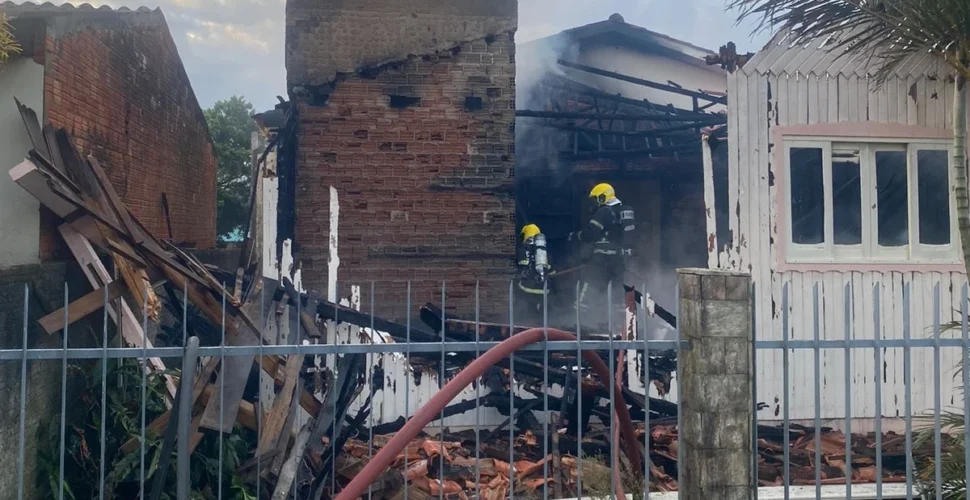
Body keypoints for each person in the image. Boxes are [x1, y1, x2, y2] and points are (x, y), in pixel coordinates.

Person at [568, 183, 635, 311]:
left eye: (596, 199)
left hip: (602, 258)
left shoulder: (604, 212)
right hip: (618, 259)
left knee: (591, 283)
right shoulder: (624, 211)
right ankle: (618, 316)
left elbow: (591, 234)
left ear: (603, 197)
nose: (594, 203)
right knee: (617, 288)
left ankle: (581, 312)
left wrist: (576, 235)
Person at [515, 223, 552, 324]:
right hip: (543, 289)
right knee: (542, 314)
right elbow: (551, 272)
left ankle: (527, 325)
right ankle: (542, 326)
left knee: (526, 314)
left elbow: (517, 268)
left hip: (526, 289)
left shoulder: (521, 251)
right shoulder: (545, 254)